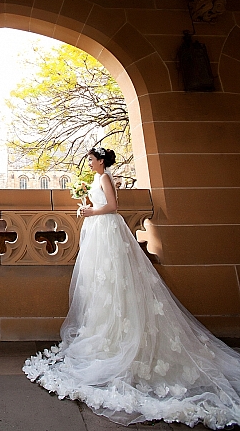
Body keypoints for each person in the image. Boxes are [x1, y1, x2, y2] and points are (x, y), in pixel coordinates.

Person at [23, 147, 240, 429]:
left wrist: (90, 211)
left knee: (114, 280)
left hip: (107, 229)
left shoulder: (105, 177)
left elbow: (113, 207)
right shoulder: (100, 177)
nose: (89, 164)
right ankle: (106, 332)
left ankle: (119, 340)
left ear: (101, 161)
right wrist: (88, 205)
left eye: (91, 160)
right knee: (102, 284)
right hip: (100, 230)